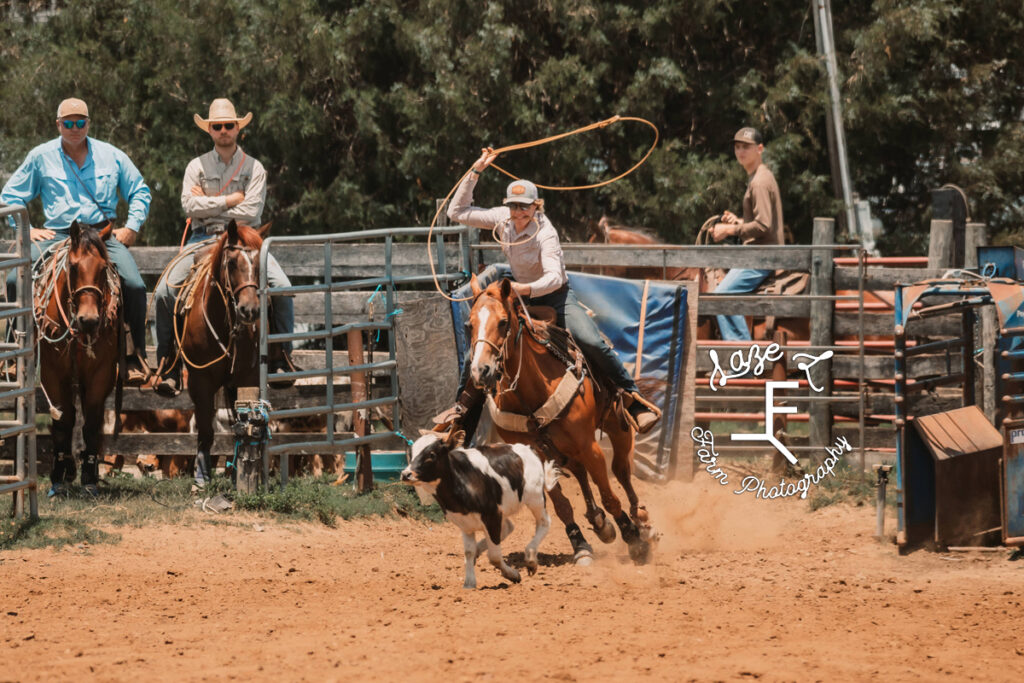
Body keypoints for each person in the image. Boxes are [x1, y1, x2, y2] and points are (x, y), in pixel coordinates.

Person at [443, 147, 661, 435]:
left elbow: (554, 278)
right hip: (518, 296)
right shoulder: (502, 219)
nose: (518, 212)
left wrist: (523, 288)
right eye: (513, 206)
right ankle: (462, 408)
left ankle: (633, 399)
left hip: (555, 298)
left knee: (591, 341)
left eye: (524, 206)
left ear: (536, 206)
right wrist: (476, 170)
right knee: (482, 343)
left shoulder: (546, 232)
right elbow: (455, 211)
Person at [1, 97, 152, 384]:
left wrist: (132, 226)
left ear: (88, 124)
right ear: (58, 124)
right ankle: (16, 354)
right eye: (68, 123)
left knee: (134, 284)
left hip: (100, 237)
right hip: (58, 236)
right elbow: (9, 197)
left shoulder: (112, 155)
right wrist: (27, 229)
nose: (74, 128)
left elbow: (140, 191)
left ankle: (135, 355)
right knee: (13, 281)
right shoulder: (40, 156)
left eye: (80, 122)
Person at [152, 98, 296, 396]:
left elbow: (252, 211)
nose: (223, 130)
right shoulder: (196, 166)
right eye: (216, 126)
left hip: (243, 241)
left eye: (228, 125)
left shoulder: (255, 168)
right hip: (202, 238)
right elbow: (188, 205)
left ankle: (281, 357)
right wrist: (230, 200)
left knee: (281, 286)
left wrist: (207, 203)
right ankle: (169, 366)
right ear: (209, 130)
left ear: (238, 128)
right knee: (166, 291)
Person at [710, 126, 785, 341]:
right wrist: (740, 222)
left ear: (759, 149)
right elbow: (762, 222)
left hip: (762, 256)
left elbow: (763, 226)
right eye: (737, 147)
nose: (741, 152)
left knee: (720, 298)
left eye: (746, 147)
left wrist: (729, 229)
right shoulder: (759, 176)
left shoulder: (759, 182)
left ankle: (744, 360)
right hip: (760, 252)